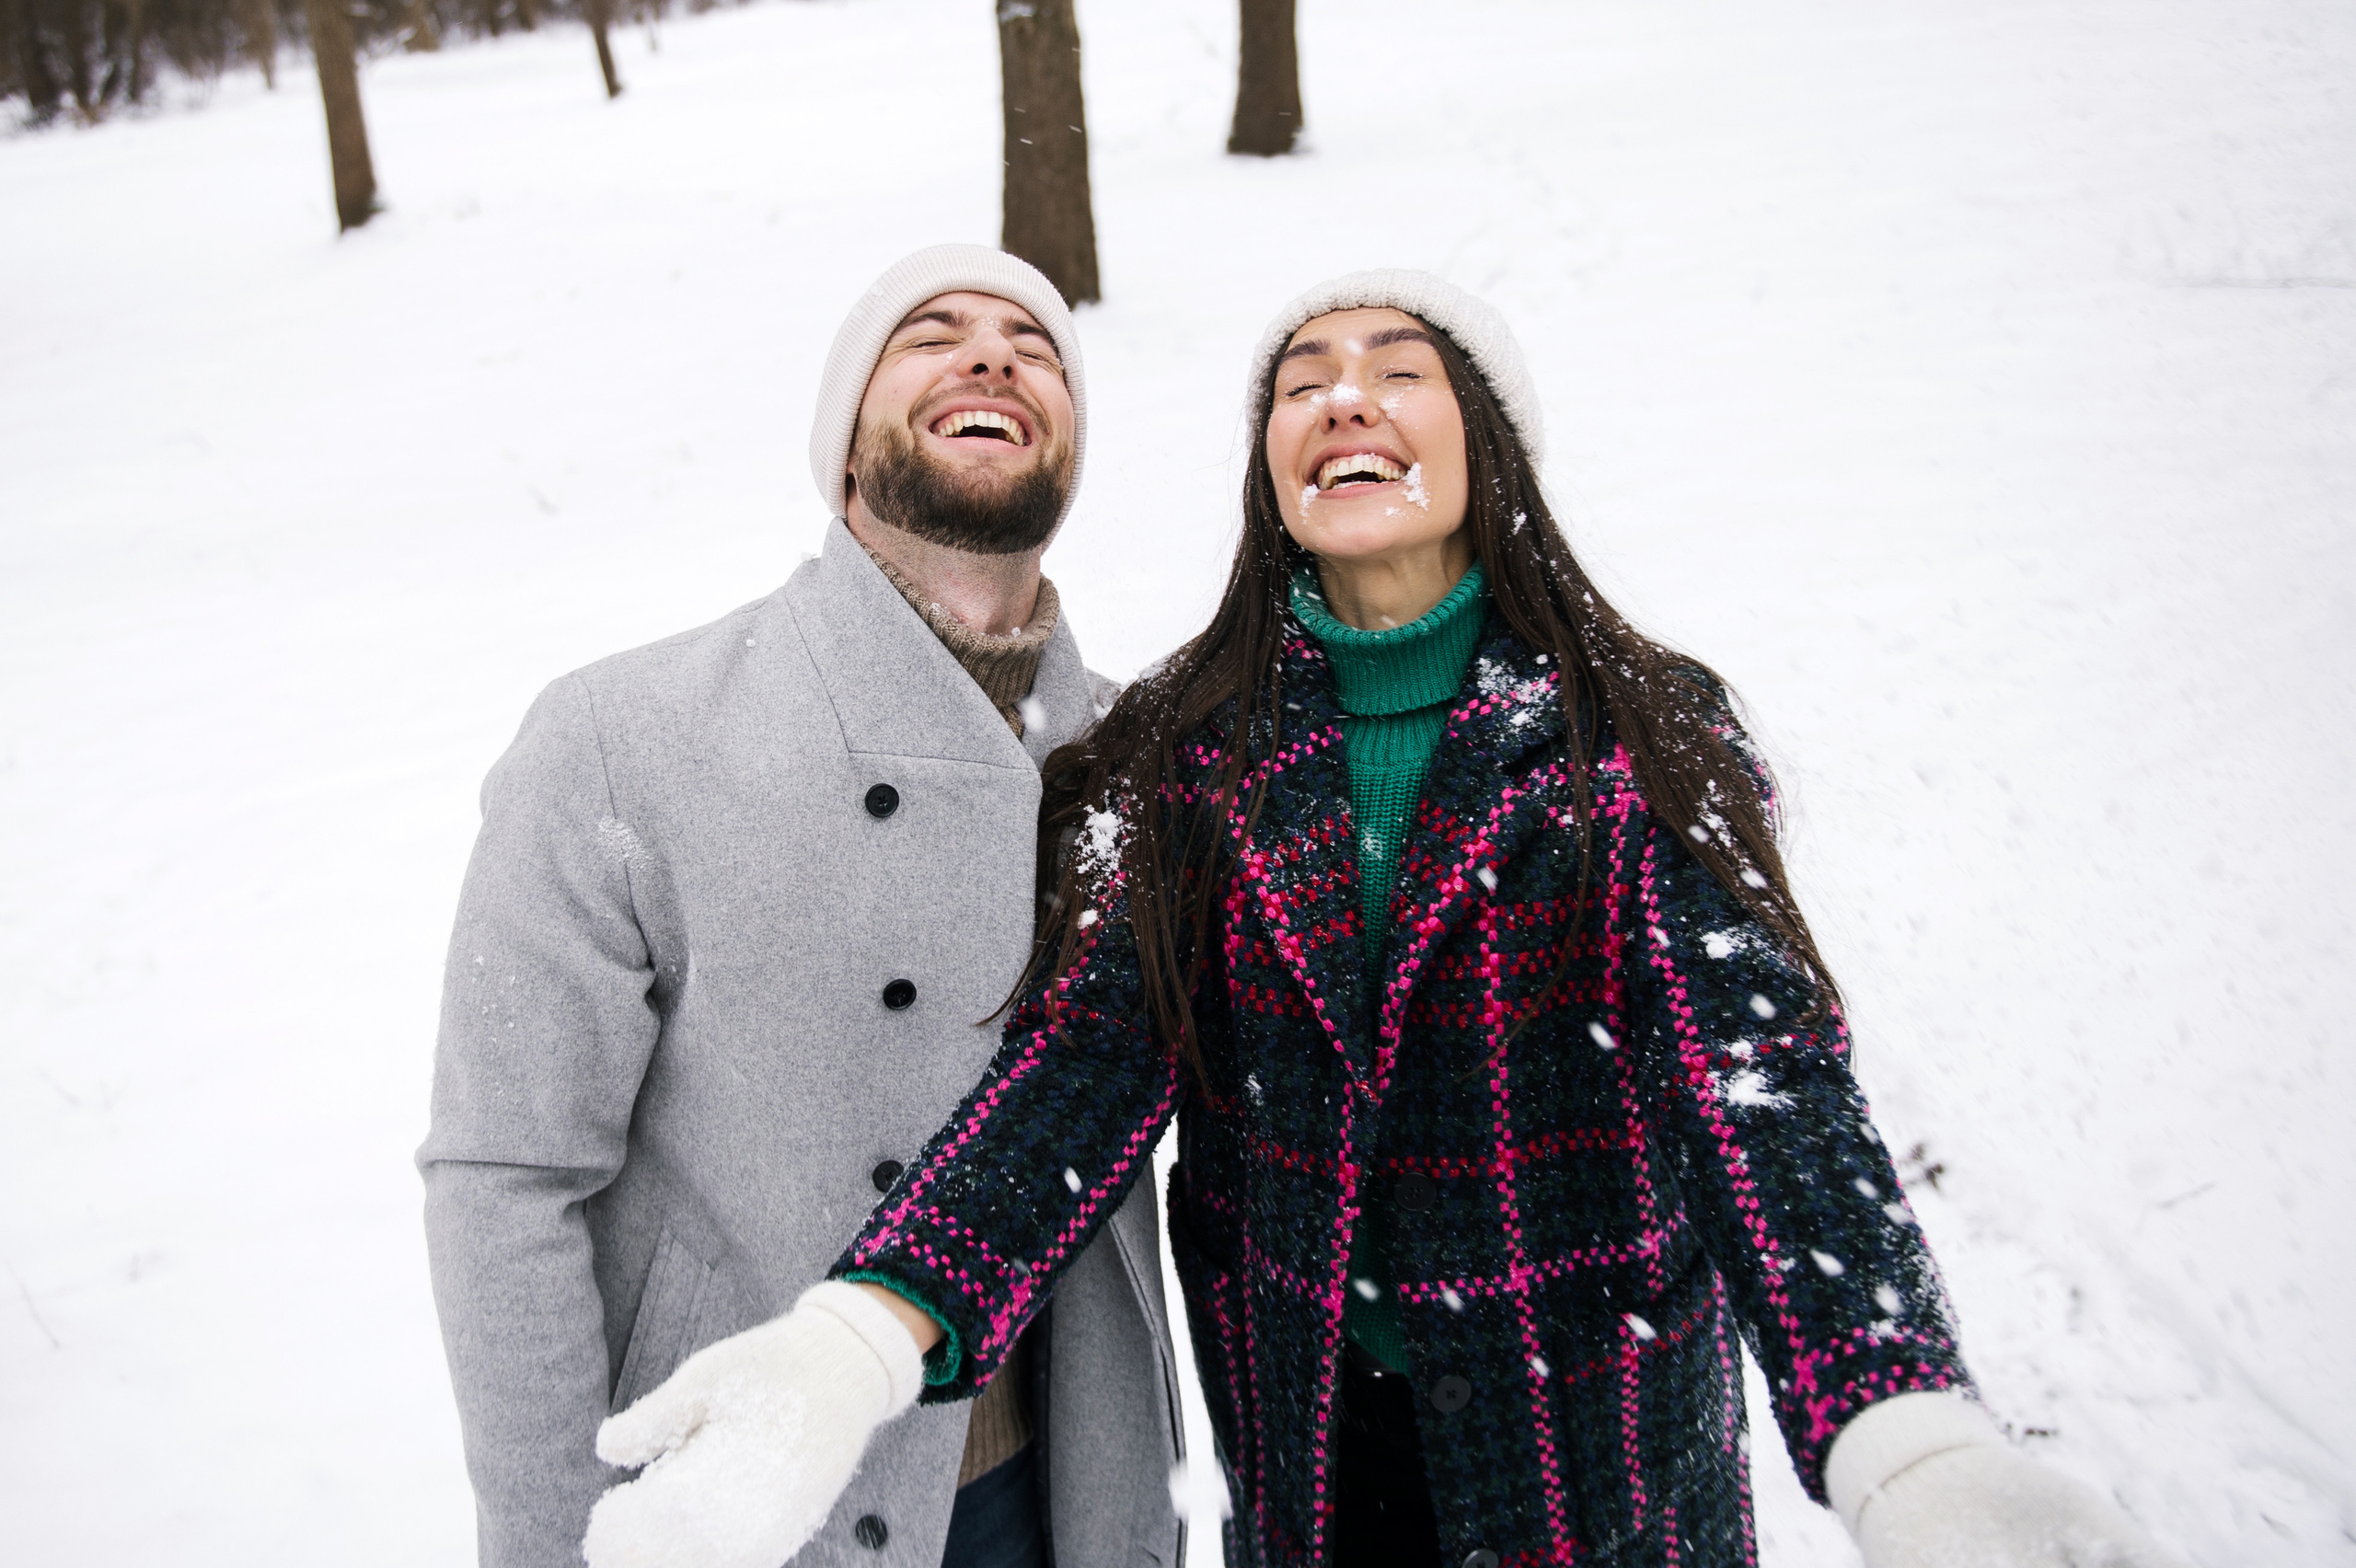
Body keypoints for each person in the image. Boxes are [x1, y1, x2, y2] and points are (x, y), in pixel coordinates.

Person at [583, 272, 2187, 1568]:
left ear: (1486, 444)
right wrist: (858, 1340)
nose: (1343, 395)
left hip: (1603, 1481)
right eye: (1300, 381)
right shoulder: (1177, 756)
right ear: (1273, 470)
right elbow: (1074, 1082)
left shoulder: (1636, 732)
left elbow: (1760, 1086)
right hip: (1314, 1478)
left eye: (1398, 366)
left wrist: (1899, 1420)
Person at [418, 244, 1184, 1568]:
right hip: (746, 1510)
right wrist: (553, 1544)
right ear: (844, 447)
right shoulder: (623, 736)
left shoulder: (1142, 760)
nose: (991, 355)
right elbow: (508, 1180)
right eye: (930, 334)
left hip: (1059, 1495)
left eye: (1035, 344)